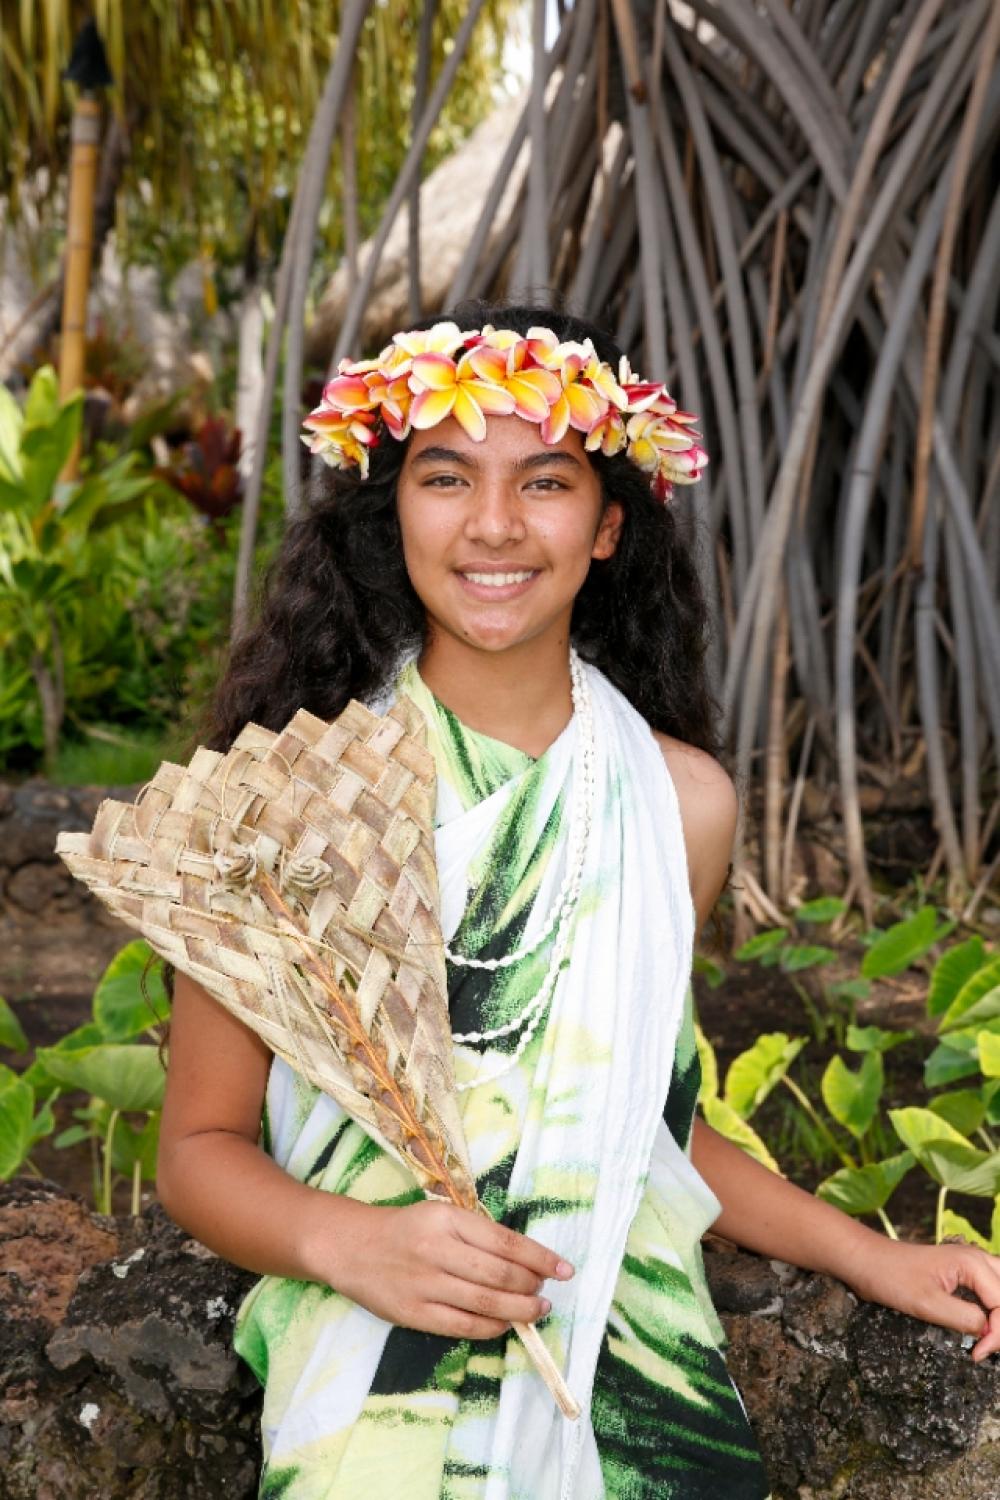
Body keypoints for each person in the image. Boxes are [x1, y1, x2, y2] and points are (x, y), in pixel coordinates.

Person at [156, 302, 1000, 1500]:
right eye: (446, 476)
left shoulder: (677, 802)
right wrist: (352, 1245)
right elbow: (196, 1149)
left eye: (543, 482)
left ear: (607, 526)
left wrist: (877, 1257)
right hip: (373, 1375)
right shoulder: (293, 798)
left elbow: (641, 1127)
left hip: (643, 1366)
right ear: (389, 511)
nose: (493, 524)